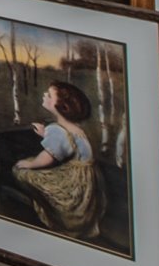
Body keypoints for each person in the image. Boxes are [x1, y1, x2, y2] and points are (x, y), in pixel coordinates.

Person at [13, 80, 105, 239]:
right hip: (87, 182)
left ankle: (52, 213)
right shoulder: (74, 127)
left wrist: (30, 164)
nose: (44, 95)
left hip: (74, 185)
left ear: (62, 107)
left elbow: (47, 158)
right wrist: (46, 134)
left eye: (49, 95)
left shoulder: (57, 130)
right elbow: (65, 144)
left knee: (20, 171)